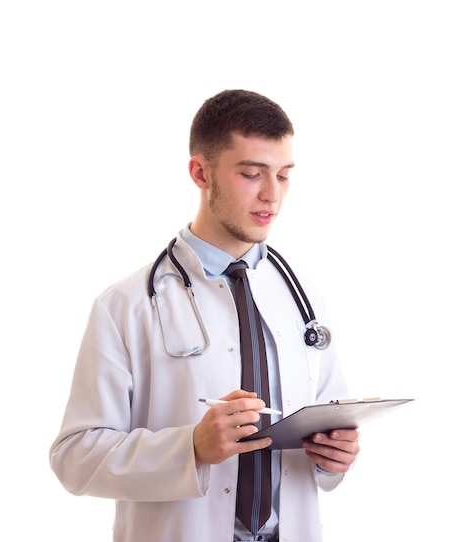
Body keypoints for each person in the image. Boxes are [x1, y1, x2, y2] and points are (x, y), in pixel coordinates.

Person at [49, 89, 360, 542]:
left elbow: (330, 414)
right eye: (251, 173)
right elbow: (74, 459)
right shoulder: (127, 305)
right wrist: (189, 448)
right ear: (201, 172)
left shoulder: (302, 295)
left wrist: (335, 454)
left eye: (284, 175)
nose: (271, 195)